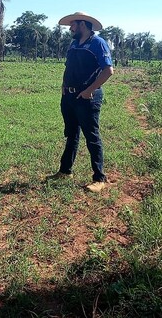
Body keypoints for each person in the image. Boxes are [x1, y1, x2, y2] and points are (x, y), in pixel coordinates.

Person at [49, 12, 114, 192]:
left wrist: (89, 91)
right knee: (71, 134)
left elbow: (108, 71)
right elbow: (68, 67)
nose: (70, 28)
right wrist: (64, 85)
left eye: (73, 25)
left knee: (92, 136)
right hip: (69, 96)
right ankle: (65, 171)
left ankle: (99, 178)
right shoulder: (74, 43)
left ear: (83, 25)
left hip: (87, 98)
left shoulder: (98, 43)